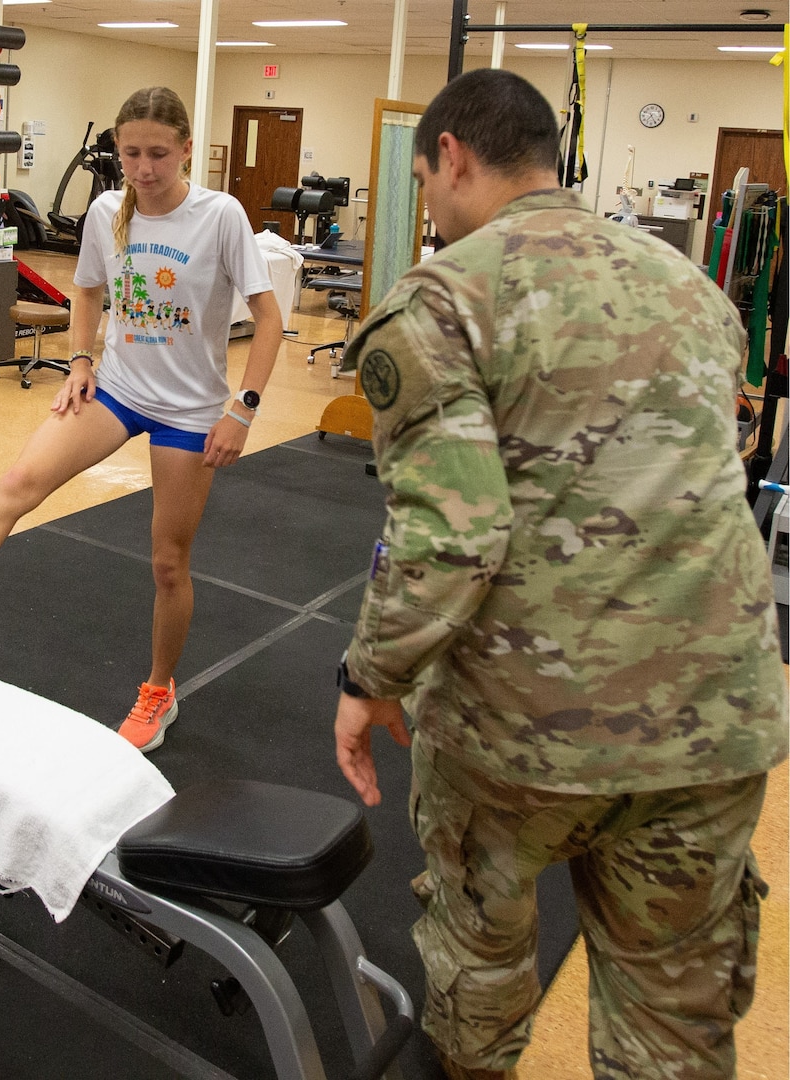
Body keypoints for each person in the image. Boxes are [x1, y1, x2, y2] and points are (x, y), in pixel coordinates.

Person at [330, 69, 787, 1080]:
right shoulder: (689, 286)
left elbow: (449, 542)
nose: (433, 210)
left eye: (427, 182)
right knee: (674, 1021)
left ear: (450, 156)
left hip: (524, 735)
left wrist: (368, 681)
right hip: (710, 723)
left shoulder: (446, 298)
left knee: (479, 969)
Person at [0, 86, 283, 752]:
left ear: (186, 148)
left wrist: (243, 409)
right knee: (14, 486)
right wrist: (82, 359)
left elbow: (269, 318)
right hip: (117, 389)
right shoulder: (107, 211)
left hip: (188, 409)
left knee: (168, 564)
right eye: (131, 153)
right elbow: (88, 290)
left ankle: (159, 690)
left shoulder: (220, 216)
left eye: (158, 153)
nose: (145, 169)